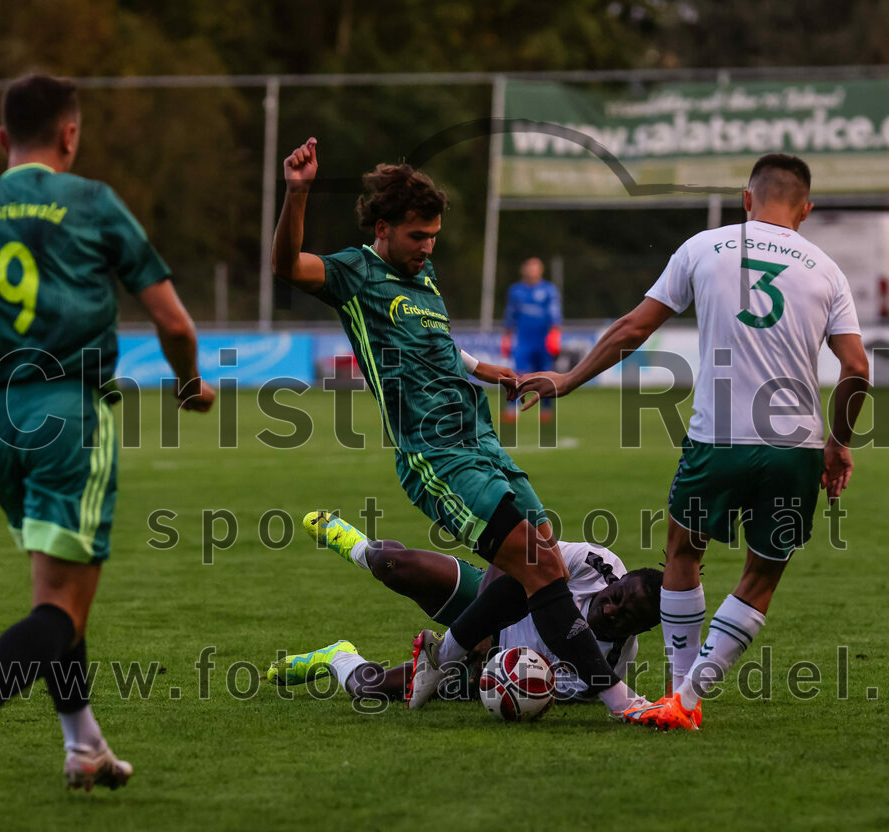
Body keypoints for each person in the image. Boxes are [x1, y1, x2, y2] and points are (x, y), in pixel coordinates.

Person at [271, 138, 650, 724]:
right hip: (437, 454)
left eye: (433, 238)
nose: (427, 248)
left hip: (483, 442)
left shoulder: (424, 280)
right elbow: (286, 266)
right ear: (383, 228)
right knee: (541, 568)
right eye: (417, 236)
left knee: (537, 559)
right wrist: (297, 195)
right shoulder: (356, 274)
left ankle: (441, 658)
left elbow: (436, 342)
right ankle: (619, 703)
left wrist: (483, 367)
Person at [516, 153, 870, 730]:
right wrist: (838, 443)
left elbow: (633, 327)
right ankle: (687, 699)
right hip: (797, 448)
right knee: (761, 574)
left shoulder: (704, 246)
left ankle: (679, 693)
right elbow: (856, 369)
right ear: (806, 210)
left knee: (683, 553)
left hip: (717, 441)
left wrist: (567, 379)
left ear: (746, 199)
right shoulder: (827, 269)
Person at [0, 75, 216, 788]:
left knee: (51, 592)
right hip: (68, 413)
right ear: (71, 135)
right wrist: (187, 384)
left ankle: (83, 746)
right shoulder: (89, 201)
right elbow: (174, 323)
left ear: (2, 141)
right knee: (62, 609)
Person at [265, 512, 661, 704]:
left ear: (640, 630)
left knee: (368, 690)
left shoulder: (607, 667)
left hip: (488, 662)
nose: (612, 611)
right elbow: (516, 551)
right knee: (394, 564)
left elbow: (535, 691)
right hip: (495, 596)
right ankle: (356, 546)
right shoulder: (596, 563)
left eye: (626, 617)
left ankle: (337, 656)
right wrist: (479, 626)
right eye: (616, 598)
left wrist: (482, 671)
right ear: (618, 581)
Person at [500, 257, 561, 422]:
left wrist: (555, 334)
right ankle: (512, 410)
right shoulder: (516, 290)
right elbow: (510, 314)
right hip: (523, 340)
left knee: (546, 376)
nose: (532, 271)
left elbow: (555, 314)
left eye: (535, 268)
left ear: (541, 270)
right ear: (524, 269)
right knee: (517, 374)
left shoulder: (549, 290)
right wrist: (506, 336)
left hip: (543, 340)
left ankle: (546, 410)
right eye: (529, 267)